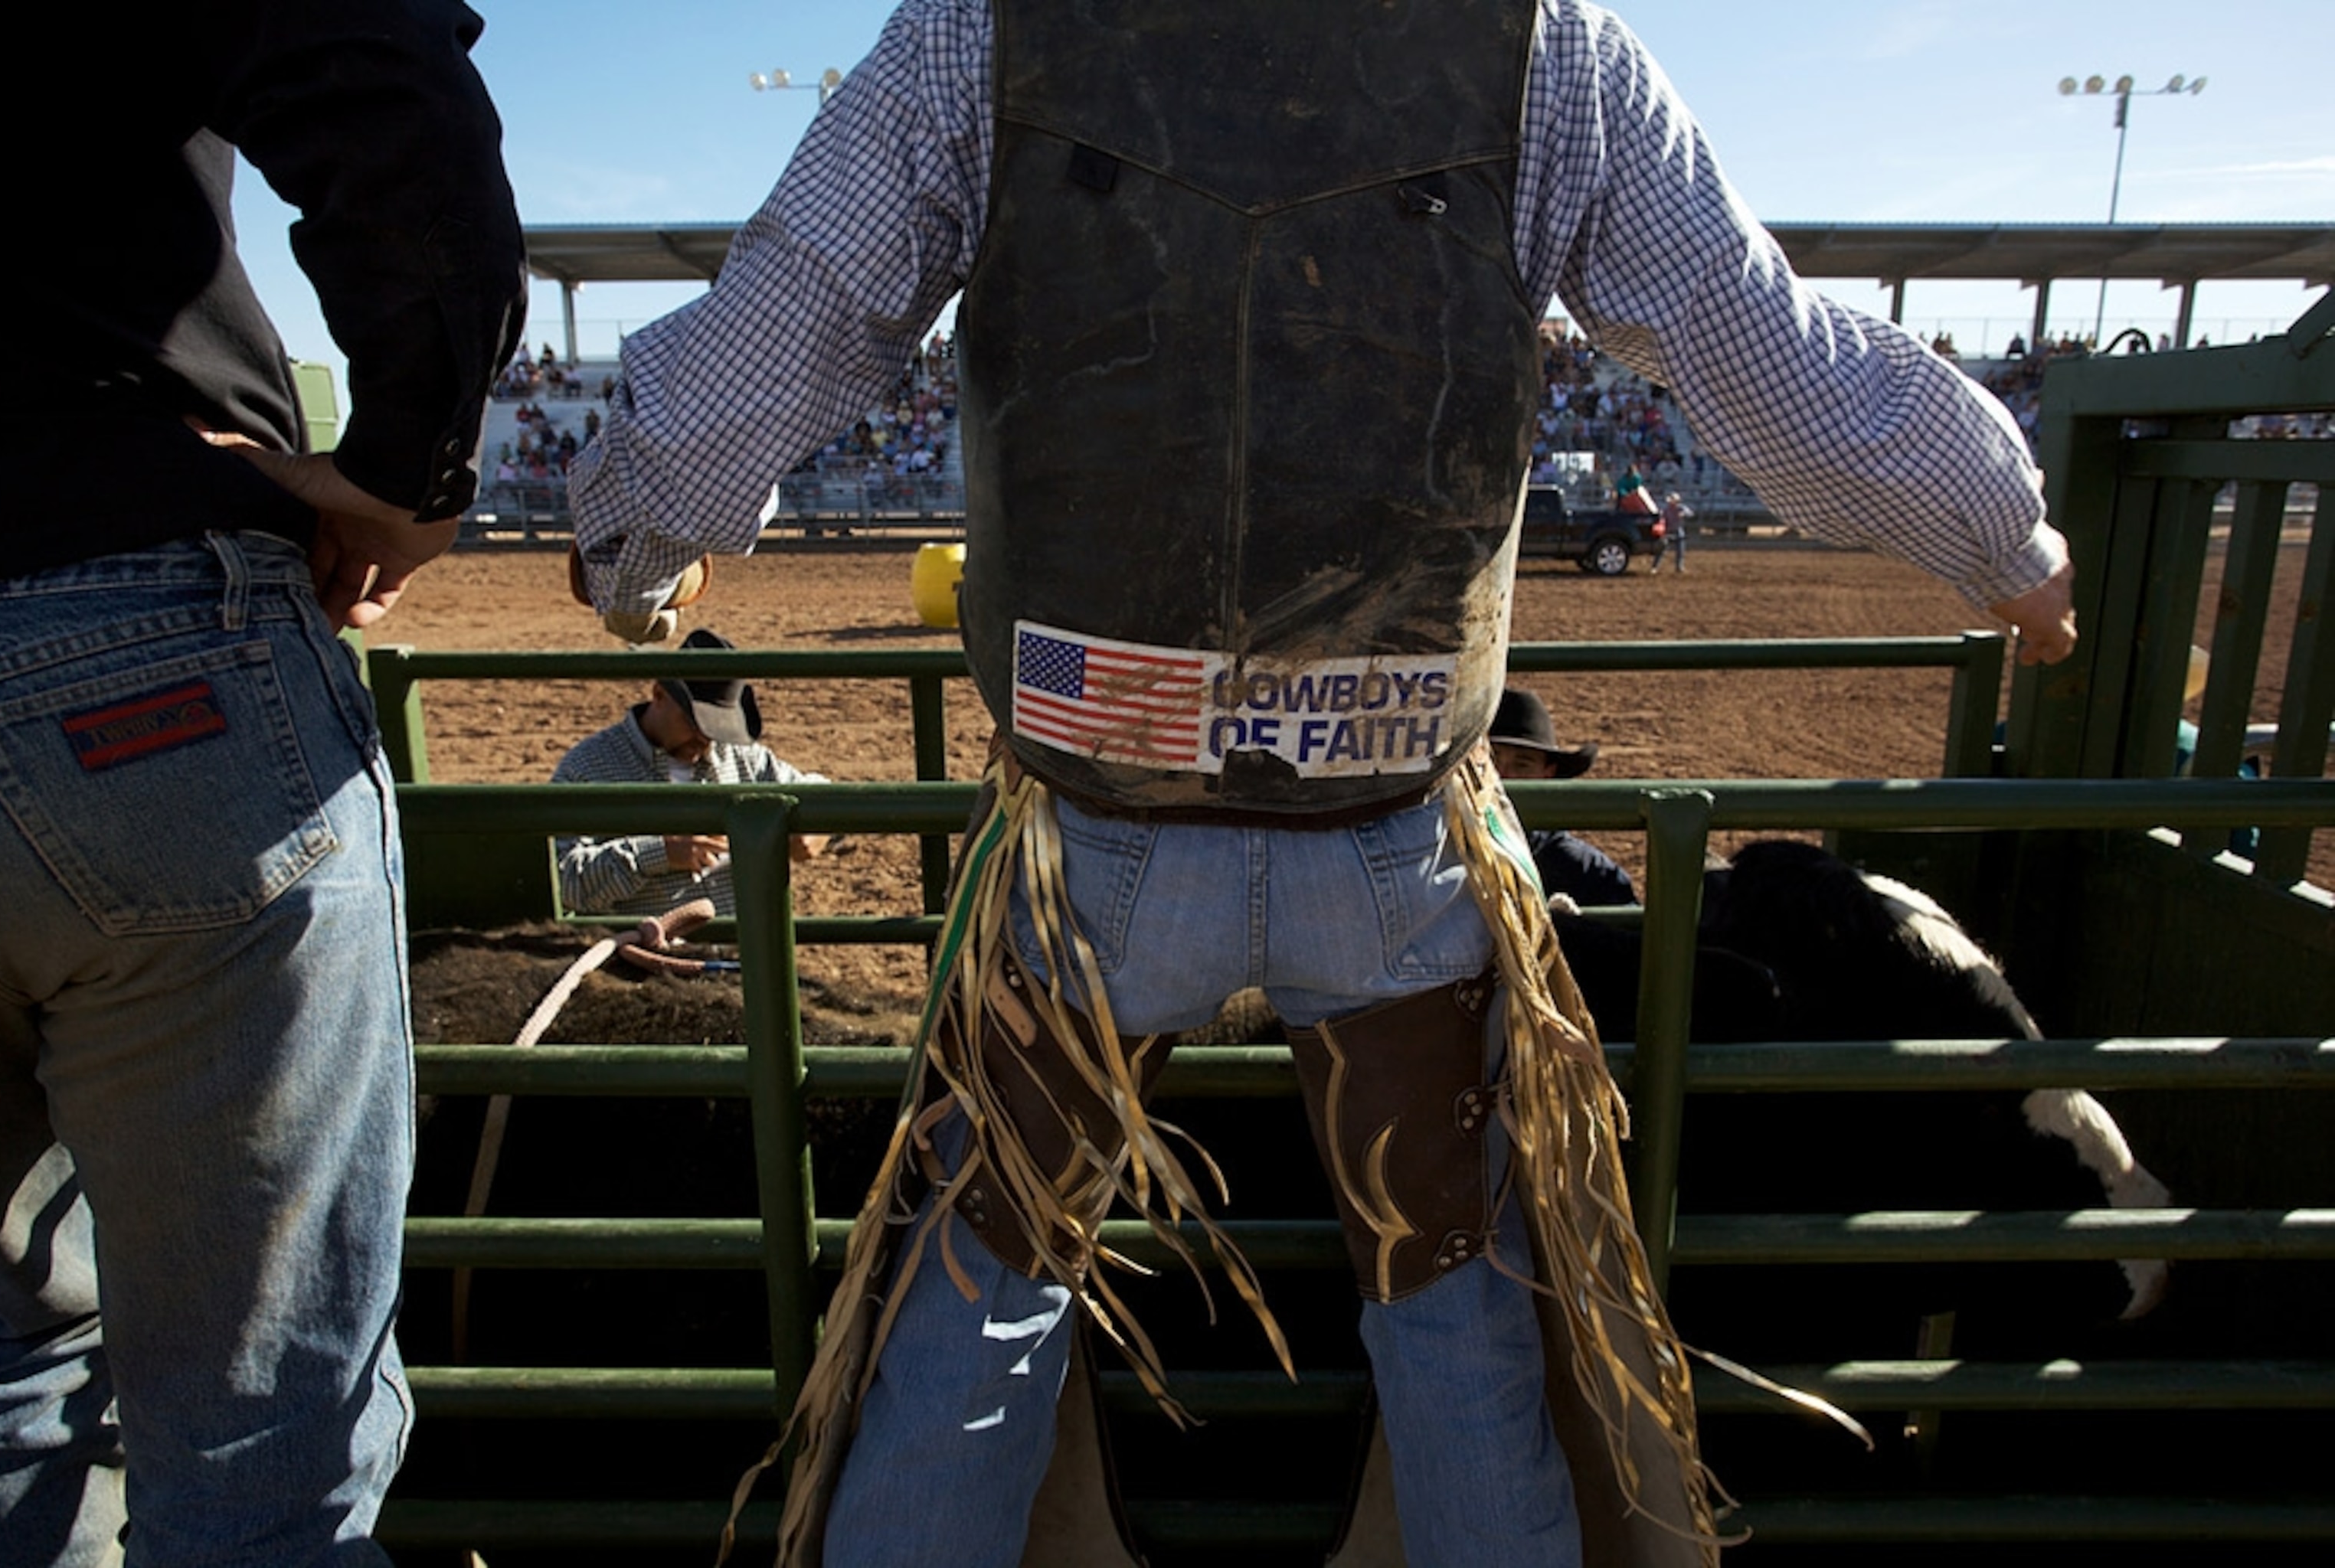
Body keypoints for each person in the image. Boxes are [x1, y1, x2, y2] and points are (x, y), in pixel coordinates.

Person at [567, 4, 2078, 1564]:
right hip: (1393, 830)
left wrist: (637, 541)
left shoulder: (987, 26)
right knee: (1456, 1314)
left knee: (984, 1289)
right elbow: (1761, 347)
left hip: (1099, 832)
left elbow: (800, 304)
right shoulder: (1543, 41)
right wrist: (2004, 540)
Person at [0, 4, 525, 1563]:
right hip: (124, 622)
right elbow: (371, 75)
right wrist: (416, 470)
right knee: (262, 1434)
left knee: (0, 1373)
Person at [551, 629, 829, 918]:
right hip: (644, 954)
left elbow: (819, 791)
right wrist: (660, 853)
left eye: (716, 729)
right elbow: (565, 883)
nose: (704, 739)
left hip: (741, 951)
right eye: (693, 722)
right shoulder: (587, 768)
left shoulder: (741, 756)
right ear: (659, 694)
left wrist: (816, 827)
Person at [1489, 688, 1638, 908]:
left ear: (1547, 773)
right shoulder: (1437, 844)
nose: (1504, 776)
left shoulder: (1582, 870)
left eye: (1522, 765)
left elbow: (1632, 934)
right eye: (1493, 758)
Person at [1655, 488, 1696, 574]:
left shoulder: (1681, 508)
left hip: (1678, 531)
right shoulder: (1666, 510)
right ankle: (1655, 566)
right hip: (1669, 531)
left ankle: (1679, 567)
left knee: (1680, 551)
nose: (1671, 503)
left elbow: (1691, 513)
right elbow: (1662, 518)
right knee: (1662, 548)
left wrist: (1684, 514)